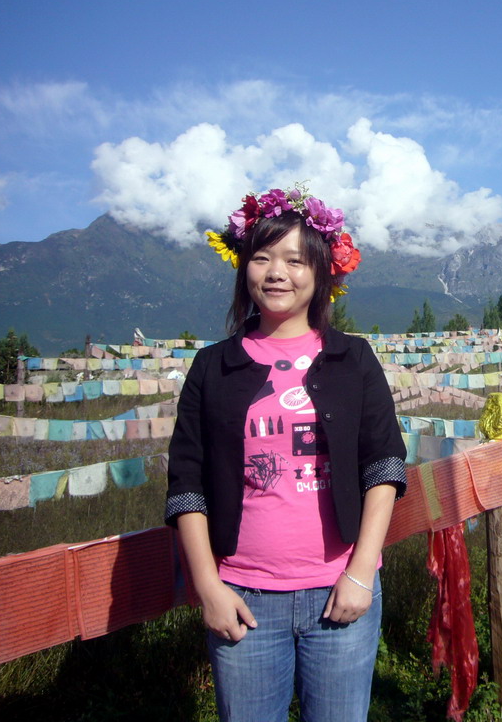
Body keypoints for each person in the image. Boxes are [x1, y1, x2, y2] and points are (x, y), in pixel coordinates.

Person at [165, 187, 406, 722]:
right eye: (262, 257)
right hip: (243, 597)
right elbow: (186, 483)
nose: (277, 272)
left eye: (296, 260)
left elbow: (384, 466)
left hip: (340, 591)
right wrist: (208, 586)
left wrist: (361, 571)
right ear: (243, 267)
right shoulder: (212, 368)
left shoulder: (353, 359)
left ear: (322, 273)